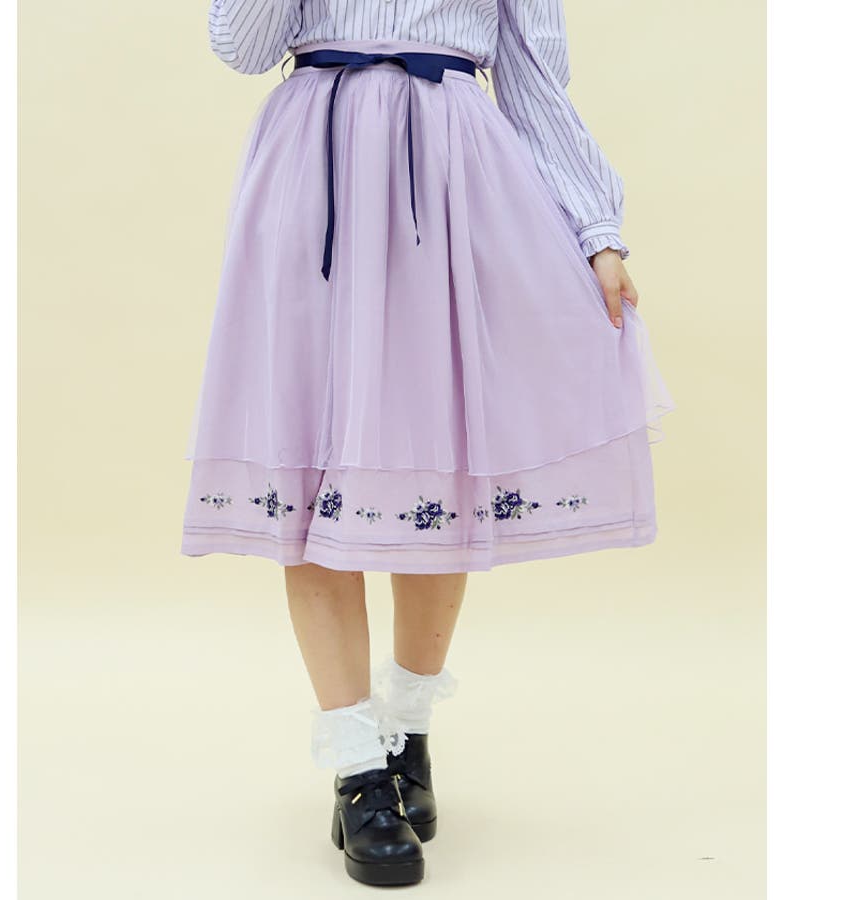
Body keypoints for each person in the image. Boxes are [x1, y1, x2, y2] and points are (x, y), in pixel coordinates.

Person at [181, 0, 676, 886]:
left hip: (453, 183)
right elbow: (242, 47)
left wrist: (596, 230)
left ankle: (406, 733)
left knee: (438, 471)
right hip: (314, 174)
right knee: (311, 463)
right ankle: (357, 771)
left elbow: (533, 75)